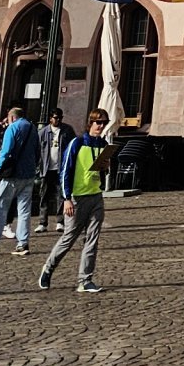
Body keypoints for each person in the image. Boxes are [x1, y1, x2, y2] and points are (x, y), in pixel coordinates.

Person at [38, 108, 112, 294]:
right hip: (77, 198)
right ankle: (48, 268)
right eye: (98, 122)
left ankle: (85, 280)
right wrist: (67, 199)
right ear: (91, 123)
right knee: (69, 238)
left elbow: (101, 172)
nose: (101, 126)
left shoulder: (103, 145)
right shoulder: (77, 143)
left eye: (104, 123)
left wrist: (105, 167)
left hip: (96, 196)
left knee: (92, 239)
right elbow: (65, 171)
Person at [0, 105, 36, 256]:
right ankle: (22, 244)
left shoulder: (12, 128)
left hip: (12, 175)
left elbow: (6, 151)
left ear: (12, 117)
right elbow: (38, 151)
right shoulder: (33, 128)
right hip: (29, 174)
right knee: (24, 210)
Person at [34, 108, 67, 234]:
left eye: (60, 118)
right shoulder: (43, 132)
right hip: (46, 168)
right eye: (55, 118)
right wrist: (38, 166)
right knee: (44, 196)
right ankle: (42, 222)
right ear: (50, 118)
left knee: (61, 195)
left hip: (60, 169)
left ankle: (60, 221)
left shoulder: (66, 131)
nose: (58, 120)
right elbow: (37, 150)